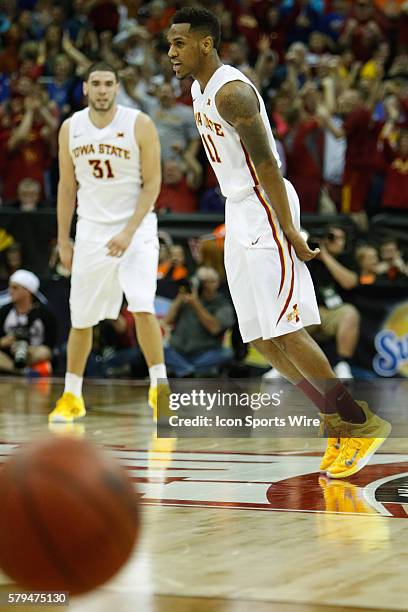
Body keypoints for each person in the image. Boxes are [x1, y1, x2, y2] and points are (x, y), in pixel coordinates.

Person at [167, 7, 390, 479]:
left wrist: (288, 226)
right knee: (260, 336)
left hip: (266, 205)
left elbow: (267, 162)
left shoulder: (232, 93)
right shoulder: (196, 88)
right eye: (170, 43)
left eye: (179, 43)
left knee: (287, 328)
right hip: (239, 206)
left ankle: (358, 422)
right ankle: (332, 419)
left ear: (206, 44)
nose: (171, 52)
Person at [48, 61, 168, 424]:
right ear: (85, 88)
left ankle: (159, 389)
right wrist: (63, 239)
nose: (102, 89)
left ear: (117, 87)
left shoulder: (139, 124)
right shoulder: (71, 128)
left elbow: (153, 183)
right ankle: (72, 395)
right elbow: (67, 187)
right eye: (96, 83)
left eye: (108, 83)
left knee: (143, 305)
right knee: (80, 318)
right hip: (91, 231)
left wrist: (130, 230)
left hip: (136, 227)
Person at [164, 266, 234, 377]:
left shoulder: (222, 304)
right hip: (178, 351)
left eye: (209, 282)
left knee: (227, 354)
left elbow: (215, 328)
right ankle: (190, 370)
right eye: (202, 281)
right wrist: (179, 298)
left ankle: (184, 369)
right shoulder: (186, 298)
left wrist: (195, 304)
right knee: (160, 348)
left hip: (206, 352)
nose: (205, 285)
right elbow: (167, 321)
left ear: (216, 283)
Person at [0, 269, 57, 374]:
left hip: (33, 352)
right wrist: (5, 342)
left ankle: (22, 370)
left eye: (15, 288)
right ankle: (20, 371)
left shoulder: (44, 313)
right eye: (10, 287)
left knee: (44, 352)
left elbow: (51, 343)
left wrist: (31, 348)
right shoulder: (5, 311)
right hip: (9, 354)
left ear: (28, 291)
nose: (10, 291)